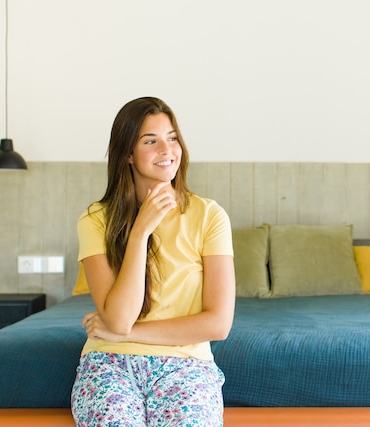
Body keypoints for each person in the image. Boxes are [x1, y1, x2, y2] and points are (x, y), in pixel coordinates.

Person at [71, 97, 235, 426]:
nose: (167, 149)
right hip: (110, 364)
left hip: (187, 368)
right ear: (128, 154)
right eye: (151, 141)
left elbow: (218, 325)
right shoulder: (96, 220)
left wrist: (127, 334)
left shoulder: (208, 215)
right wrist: (140, 233)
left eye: (172, 138)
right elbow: (117, 319)